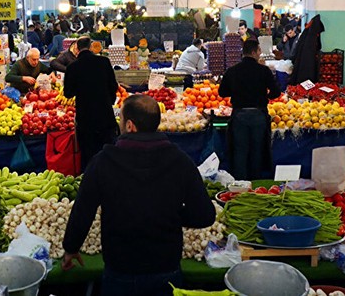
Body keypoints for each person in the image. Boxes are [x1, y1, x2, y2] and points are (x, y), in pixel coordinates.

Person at [62, 95, 216, 296]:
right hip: (165, 267)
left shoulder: (103, 162)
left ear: (130, 126)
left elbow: (83, 211)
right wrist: (172, 215)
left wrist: (71, 248)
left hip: (120, 269)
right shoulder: (180, 161)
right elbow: (205, 215)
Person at [219, 40, 281, 180]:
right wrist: (266, 95)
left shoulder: (232, 70)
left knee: (240, 151)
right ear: (254, 52)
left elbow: (222, 92)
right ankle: (255, 184)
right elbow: (276, 92)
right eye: (259, 51)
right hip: (258, 115)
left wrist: (235, 92)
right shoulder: (263, 71)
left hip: (239, 115)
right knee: (257, 151)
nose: (260, 54)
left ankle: (240, 184)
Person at [64, 37, 118, 169]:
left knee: (88, 155)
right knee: (107, 153)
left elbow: (68, 93)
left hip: (85, 118)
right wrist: (109, 101)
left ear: (77, 49)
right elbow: (113, 86)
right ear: (91, 47)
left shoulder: (72, 67)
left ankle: (90, 183)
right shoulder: (104, 62)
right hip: (105, 115)